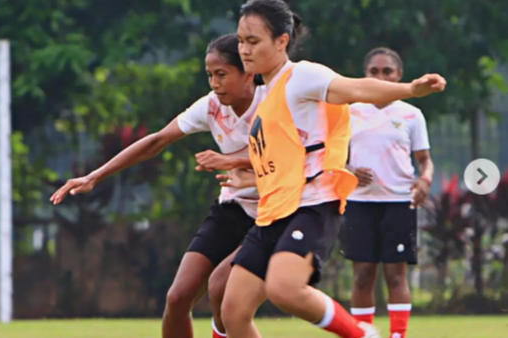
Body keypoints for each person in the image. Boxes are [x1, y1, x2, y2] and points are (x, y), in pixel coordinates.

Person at [201, 1, 446, 338]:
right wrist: (250, 175)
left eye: (253, 41)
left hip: (313, 205)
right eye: (241, 40)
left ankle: (364, 335)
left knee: (285, 289)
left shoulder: (302, 76)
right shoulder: (267, 91)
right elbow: (286, 157)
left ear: (282, 41)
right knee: (233, 311)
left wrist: (410, 90)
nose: (243, 49)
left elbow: (357, 88)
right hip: (274, 211)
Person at [49, 33, 266, 338]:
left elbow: (288, 153)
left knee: (221, 287)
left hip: (273, 213)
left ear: (249, 73)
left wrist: (232, 161)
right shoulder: (211, 106)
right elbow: (157, 141)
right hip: (232, 208)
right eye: (209, 76)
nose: (214, 84)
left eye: (222, 74)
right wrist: (95, 176)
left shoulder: (273, 103)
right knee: (177, 298)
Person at [344, 47, 434, 338]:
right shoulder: (350, 110)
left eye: (387, 72)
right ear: (365, 74)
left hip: (398, 202)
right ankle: (363, 333)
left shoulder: (411, 114)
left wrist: (425, 181)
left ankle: (398, 335)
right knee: (362, 276)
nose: (380, 76)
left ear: (399, 75)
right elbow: (333, 157)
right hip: (359, 202)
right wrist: (348, 170)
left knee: (396, 275)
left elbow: (425, 160)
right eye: (374, 72)